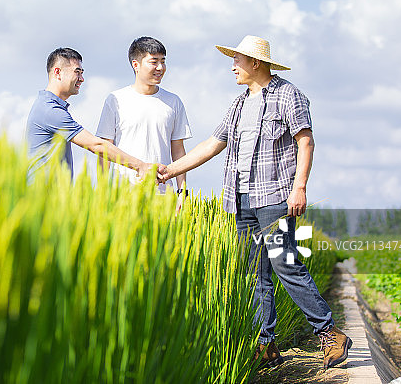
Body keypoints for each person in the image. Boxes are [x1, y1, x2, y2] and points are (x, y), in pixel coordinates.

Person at [158, 35, 351, 369]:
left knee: (285, 264)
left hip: (275, 197)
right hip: (241, 199)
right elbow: (212, 144)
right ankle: (266, 345)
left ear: (255, 63)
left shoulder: (288, 95)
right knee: (254, 273)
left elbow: (305, 141)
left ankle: (330, 332)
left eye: (237, 60)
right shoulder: (237, 103)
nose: (232, 66)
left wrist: (299, 187)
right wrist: (169, 170)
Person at [26, 47, 159, 181]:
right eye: (77, 72)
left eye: (82, 72)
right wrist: (140, 166)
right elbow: (96, 145)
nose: (82, 79)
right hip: (42, 197)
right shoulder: (50, 110)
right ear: (57, 72)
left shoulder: (49, 105)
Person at [96, 36, 191, 209]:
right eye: (154, 62)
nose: (160, 68)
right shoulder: (116, 100)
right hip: (122, 194)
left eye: (163, 61)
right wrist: (102, 192)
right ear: (136, 65)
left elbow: (178, 150)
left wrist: (182, 191)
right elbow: (105, 149)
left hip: (162, 195)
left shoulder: (173, 101)